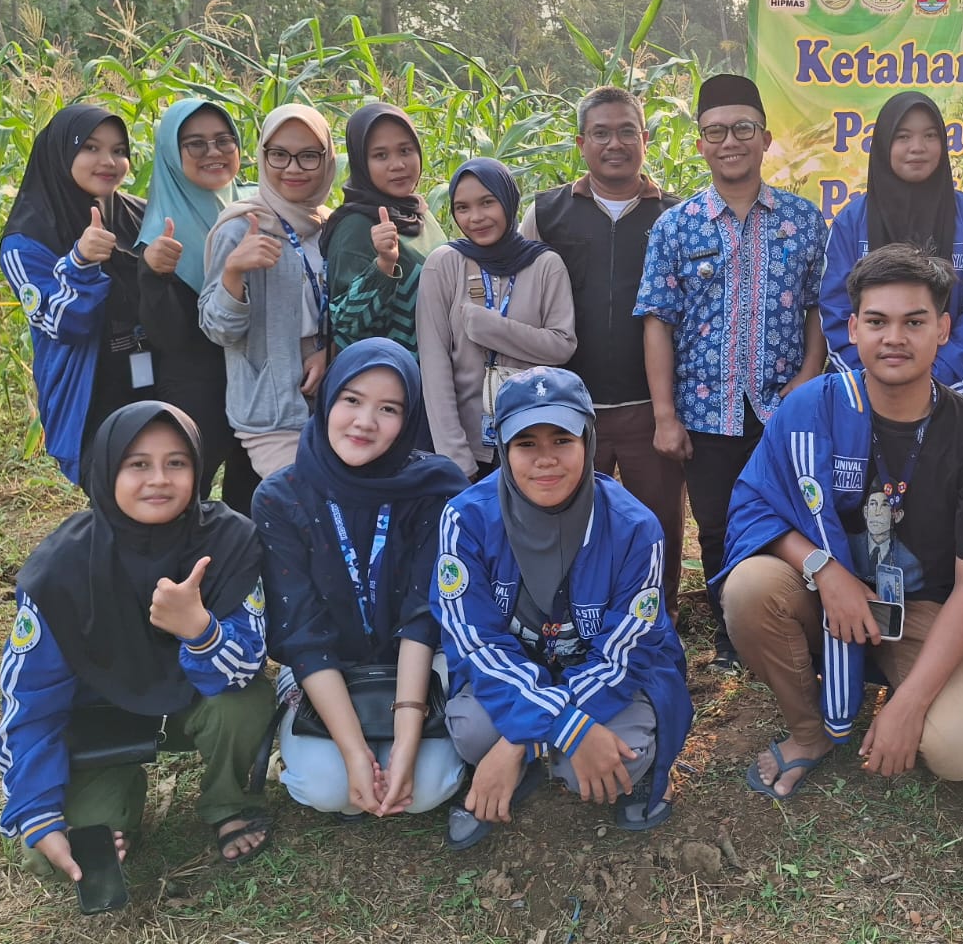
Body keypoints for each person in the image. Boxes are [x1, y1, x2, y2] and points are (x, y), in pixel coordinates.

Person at [719, 244, 963, 797]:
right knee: (750, 588)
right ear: (853, 329)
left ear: (943, 329)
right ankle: (810, 732)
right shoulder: (810, 408)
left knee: (958, 752)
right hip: (821, 594)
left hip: (921, 609)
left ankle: (896, 682)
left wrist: (910, 705)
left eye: (914, 322)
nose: (894, 338)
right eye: (877, 321)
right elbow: (755, 505)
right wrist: (827, 571)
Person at [0, 402, 275, 876]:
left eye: (176, 462)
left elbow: (247, 667)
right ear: (106, 471)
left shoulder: (229, 541)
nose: (159, 479)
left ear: (199, 468)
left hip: (195, 701)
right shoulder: (62, 567)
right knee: (51, 851)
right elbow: (29, 700)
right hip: (98, 718)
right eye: (138, 464)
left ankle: (227, 802)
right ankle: (114, 798)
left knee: (244, 703)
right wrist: (38, 813)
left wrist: (200, 631)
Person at [431, 367, 693, 849]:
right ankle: (536, 749)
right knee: (471, 733)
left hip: (603, 680)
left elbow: (625, 653)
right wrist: (568, 726)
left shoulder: (635, 528)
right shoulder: (466, 519)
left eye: (562, 440)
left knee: (624, 755)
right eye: (526, 443)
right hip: (515, 672)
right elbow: (475, 642)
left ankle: (528, 751)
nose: (546, 459)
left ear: (589, 441)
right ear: (503, 448)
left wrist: (522, 737)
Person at [635, 73, 827, 669]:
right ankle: (732, 637)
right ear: (699, 144)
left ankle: (797, 629)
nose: (730, 142)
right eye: (715, 132)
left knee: (791, 518)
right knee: (717, 525)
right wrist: (665, 416)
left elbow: (820, 308)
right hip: (706, 407)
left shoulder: (803, 220)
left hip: (785, 405)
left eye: (743, 128)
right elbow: (658, 321)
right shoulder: (676, 226)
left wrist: (809, 375)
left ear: (765, 138)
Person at [254, 338, 469, 820]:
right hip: (322, 666)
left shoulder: (435, 488)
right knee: (327, 789)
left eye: (389, 408)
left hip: (418, 661)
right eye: (352, 400)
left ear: (409, 418)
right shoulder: (280, 498)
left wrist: (407, 738)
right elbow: (302, 633)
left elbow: (422, 618)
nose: (365, 421)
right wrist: (354, 752)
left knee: (427, 788)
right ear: (328, 398)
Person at [520, 86, 687, 614]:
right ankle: (571, 619)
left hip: (649, 408)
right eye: (600, 133)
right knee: (570, 520)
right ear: (580, 143)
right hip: (568, 408)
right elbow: (520, 297)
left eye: (626, 131)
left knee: (657, 523)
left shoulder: (677, 216)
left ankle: (657, 619)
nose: (614, 144)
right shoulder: (547, 214)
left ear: (645, 138)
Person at [821, 90, 963, 409]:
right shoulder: (851, 221)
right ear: (883, 144)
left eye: (930, 136)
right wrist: (875, 380)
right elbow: (836, 312)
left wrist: (936, 381)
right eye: (903, 136)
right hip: (866, 399)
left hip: (952, 397)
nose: (917, 147)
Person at [0, 105, 148, 484]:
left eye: (119, 150)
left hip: (153, 376)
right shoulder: (25, 240)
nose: (109, 161)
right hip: (89, 393)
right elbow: (62, 325)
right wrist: (79, 262)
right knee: (114, 491)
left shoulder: (140, 215)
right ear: (62, 152)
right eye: (91, 148)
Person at [199, 104, 337, 479]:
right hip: (271, 408)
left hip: (335, 399)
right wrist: (233, 271)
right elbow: (218, 330)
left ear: (327, 158)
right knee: (299, 498)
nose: (293, 168)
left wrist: (330, 351)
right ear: (263, 156)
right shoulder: (240, 227)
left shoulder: (331, 226)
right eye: (279, 154)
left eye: (309, 156)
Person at [416, 158, 576, 479]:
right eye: (462, 208)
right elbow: (434, 367)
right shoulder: (444, 264)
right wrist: (455, 459)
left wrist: (490, 328)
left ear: (508, 199)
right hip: (466, 445)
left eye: (487, 202)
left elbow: (562, 346)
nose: (476, 217)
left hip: (533, 440)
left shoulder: (545, 264)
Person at [136, 98, 259, 510]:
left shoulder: (256, 209)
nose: (214, 152)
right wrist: (154, 275)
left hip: (256, 384)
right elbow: (168, 336)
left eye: (224, 140)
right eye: (196, 144)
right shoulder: (160, 236)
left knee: (252, 501)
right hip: (197, 393)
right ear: (172, 154)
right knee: (186, 499)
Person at [321, 102, 448, 355]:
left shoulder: (418, 212)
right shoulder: (356, 227)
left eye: (405, 150)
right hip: (393, 372)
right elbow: (346, 324)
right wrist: (383, 266)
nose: (398, 164)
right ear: (361, 162)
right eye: (381, 155)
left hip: (440, 368)